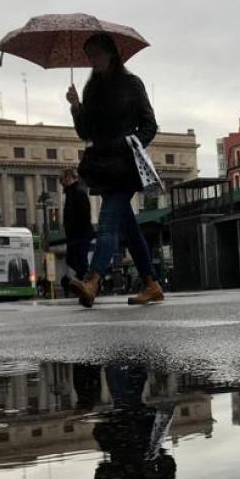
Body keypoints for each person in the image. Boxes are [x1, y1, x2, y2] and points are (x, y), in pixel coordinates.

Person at [66, 33, 164, 307]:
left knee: (108, 221)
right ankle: (151, 283)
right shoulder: (91, 90)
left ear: (111, 53)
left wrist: (128, 143)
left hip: (125, 167)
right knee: (128, 228)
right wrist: (76, 106)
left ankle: (92, 281)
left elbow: (149, 125)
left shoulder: (132, 84)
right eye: (89, 55)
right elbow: (85, 132)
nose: (92, 60)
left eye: (96, 53)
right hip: (102, 167)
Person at [60, 167, 95, 294]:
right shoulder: (71, 193)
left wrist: (76, 229)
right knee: (72, 259)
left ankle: (86, 283)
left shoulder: (78, 192)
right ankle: (82, 281)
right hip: (74, 235)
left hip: (80, 234)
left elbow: (84, 213)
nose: (61, 182)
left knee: (80, 260)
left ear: (68, 178)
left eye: (62, 179)